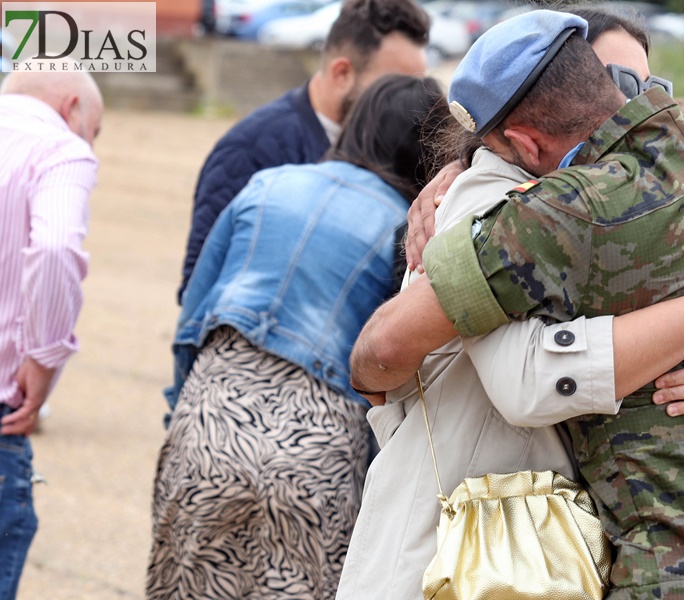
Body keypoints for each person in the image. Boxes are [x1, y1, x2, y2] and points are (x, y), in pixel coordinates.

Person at [338, 8, 684, 599]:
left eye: (647, 87)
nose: (634, 105)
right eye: (620, 81)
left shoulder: (601, 196)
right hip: (465, 539)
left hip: (602, 553)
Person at [147, 75, 453, 600]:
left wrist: (182, 413)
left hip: (211, 422)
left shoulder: (265, 185)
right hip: (318, 452)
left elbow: (192, 320)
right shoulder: (406, 231)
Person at [176, 0, 429, 302]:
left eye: (416, 86)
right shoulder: (252, 150)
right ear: (342, 74)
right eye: (393, 86)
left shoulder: (411, 147)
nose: (409, 101)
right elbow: (200, 286)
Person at [0, 68, 102, 600]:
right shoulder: (60, 150)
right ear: (71, 109)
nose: (91, 144)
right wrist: (43, 358)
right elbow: (58, 248)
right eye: (94, 129)